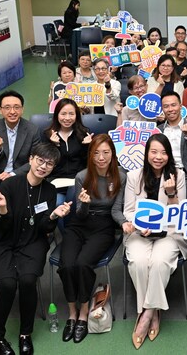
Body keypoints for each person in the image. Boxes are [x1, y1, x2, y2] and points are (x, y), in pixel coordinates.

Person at [0, 143, 72, 355]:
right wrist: (3, 208)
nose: (43, 166)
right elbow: (1, 226)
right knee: (7, 283)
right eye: (40, 161)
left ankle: (25, 334)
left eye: (49, 164)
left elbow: (43, 228)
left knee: (27, 280)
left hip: (32, 242)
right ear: (31, 159)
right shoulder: (11, 184)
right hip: (2, 242)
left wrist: (53, 215)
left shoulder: (49, 191)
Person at [123, 134, 187, 349]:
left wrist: (171, 194)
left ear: (169, 155)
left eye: (163, 153)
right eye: (153, 152)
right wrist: (139, 224)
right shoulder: (134, 175)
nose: (158, 157)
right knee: (139, 261)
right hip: (140, 232)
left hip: (170, 233)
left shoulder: (177, 175)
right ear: (146, 154)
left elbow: (179, 214)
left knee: (160, 262)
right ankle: (153, 312)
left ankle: (146, 314)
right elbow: (128, 210)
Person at [57, 134, 127, 344]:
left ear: (112, 154)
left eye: (106, 152)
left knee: (83, 264)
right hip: (79, 224)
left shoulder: (120, 177)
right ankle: (72, 312)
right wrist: (85, 204)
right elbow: (79, 213)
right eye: (96, 153)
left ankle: (84, 312)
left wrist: (123, 222)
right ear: (91, 155)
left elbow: (115, 210)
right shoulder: (82, 176)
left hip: (104, 226)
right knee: (67, 264)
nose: (101, 157)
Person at [0, 91, 41, 222]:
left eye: (16, 107)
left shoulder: (32, 129)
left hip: (20, 173)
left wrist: (12, 174)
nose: (12, 111)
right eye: (7, 107)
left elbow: (36, 160)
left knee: (2, 193)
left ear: (22, 109)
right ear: (0, 110)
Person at [44, 98, 92, 205]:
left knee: (77, 202)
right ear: (57, 115)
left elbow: (88, 164)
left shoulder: (84, 134)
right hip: (56, 183)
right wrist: (53, 145)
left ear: (77, 116)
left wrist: (86, 146)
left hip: (78, 182)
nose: (67, 118)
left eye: (71, 114)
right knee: (57, 204)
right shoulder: (47, 135)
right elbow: (46, 164)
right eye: (63, 114)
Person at [159, 91, 187, 196]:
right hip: (161, 173)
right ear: (162, 109)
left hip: (185, 174)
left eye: (173, 105)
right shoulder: (158, 130)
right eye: (166, 106)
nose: (170, 109)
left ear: (180, 106)